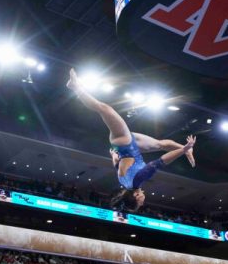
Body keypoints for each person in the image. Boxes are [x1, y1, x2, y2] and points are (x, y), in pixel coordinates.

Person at [67, 69, 196, 212]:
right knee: (160, 144)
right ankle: (189, 150)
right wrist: (114, 156)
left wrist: (182, 150)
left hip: (125, 142)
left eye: (140, 203)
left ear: (135, 196)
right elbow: (117, 166)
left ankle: (76, 88)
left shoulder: (140, 179)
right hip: (132, 147)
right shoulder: (125, 183)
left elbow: (162, 160)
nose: (143, 201)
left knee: (105, 109)